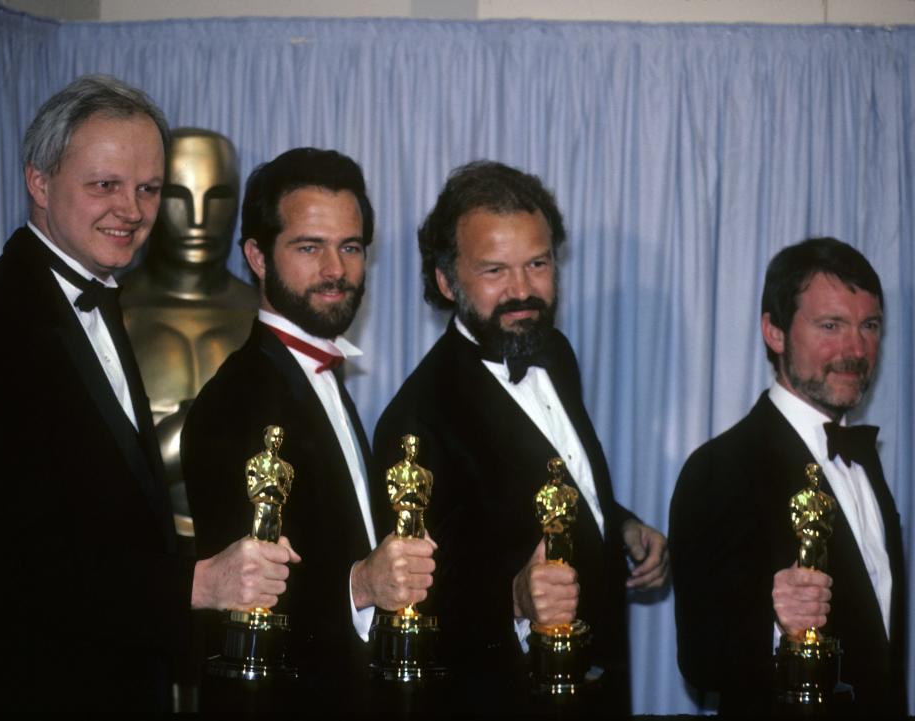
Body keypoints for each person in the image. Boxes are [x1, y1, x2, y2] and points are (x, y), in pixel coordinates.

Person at [0, 75, 296, 712]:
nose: (133, 211)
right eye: (104, 185)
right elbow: (8, 560)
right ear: (39, 183)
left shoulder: (96, 293)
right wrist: (192, 585)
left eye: (146, 188)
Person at [372, 160, 669, 714]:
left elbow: (551, 476)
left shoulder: (551, 350)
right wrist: (511, 598)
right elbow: (414, 606)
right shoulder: (415, 421)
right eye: (494, 271)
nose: (522, 291)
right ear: (445, 281)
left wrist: (619, 522)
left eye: (537, 263)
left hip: (598, 689)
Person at [180, 148, 436, 711]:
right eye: (308, 247)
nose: (335, 270)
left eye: (350, 247)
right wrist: (361, 586)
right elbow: (243, 604)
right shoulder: (236, 400)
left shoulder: (318, 377)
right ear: (257, 256)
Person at [669, 237, 906, 715]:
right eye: (831, 325)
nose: (856, 348)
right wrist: (777, 624)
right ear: (774, 332)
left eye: (869, 326)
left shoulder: (866, 463)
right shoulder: (719, 469)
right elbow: (701, 660)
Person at [120, 127, 256, 537]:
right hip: (140, 547)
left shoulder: (267, 318)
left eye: (217, 198)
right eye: (178, 197)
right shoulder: (109, 313)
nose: (198, 219)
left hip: (253, 549)